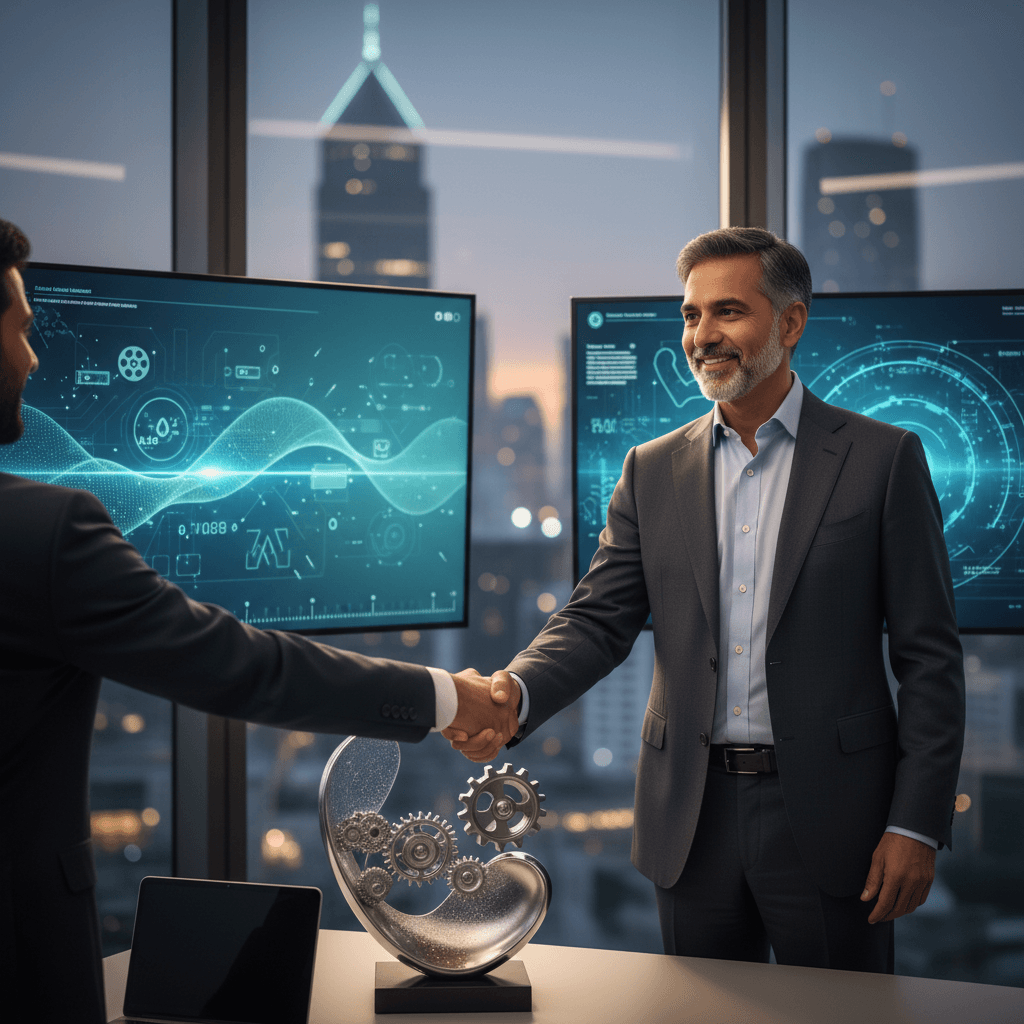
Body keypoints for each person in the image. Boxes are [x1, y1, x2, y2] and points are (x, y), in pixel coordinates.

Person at [0, 218, 519, 1023]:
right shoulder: (42, 534)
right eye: (23, 329)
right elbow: (239, 665)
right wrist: (449, 698)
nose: (32, 360)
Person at [447, 226, 966, 973]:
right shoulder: (651, 469)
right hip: (688, 818)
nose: (702, 335)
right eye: (691, 316)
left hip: (833, 815)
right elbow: (597, 620)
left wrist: (916, 824)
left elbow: (930, 659)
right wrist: (513, 692)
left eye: (728, 312)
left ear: (789, 323)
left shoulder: (883, 460)